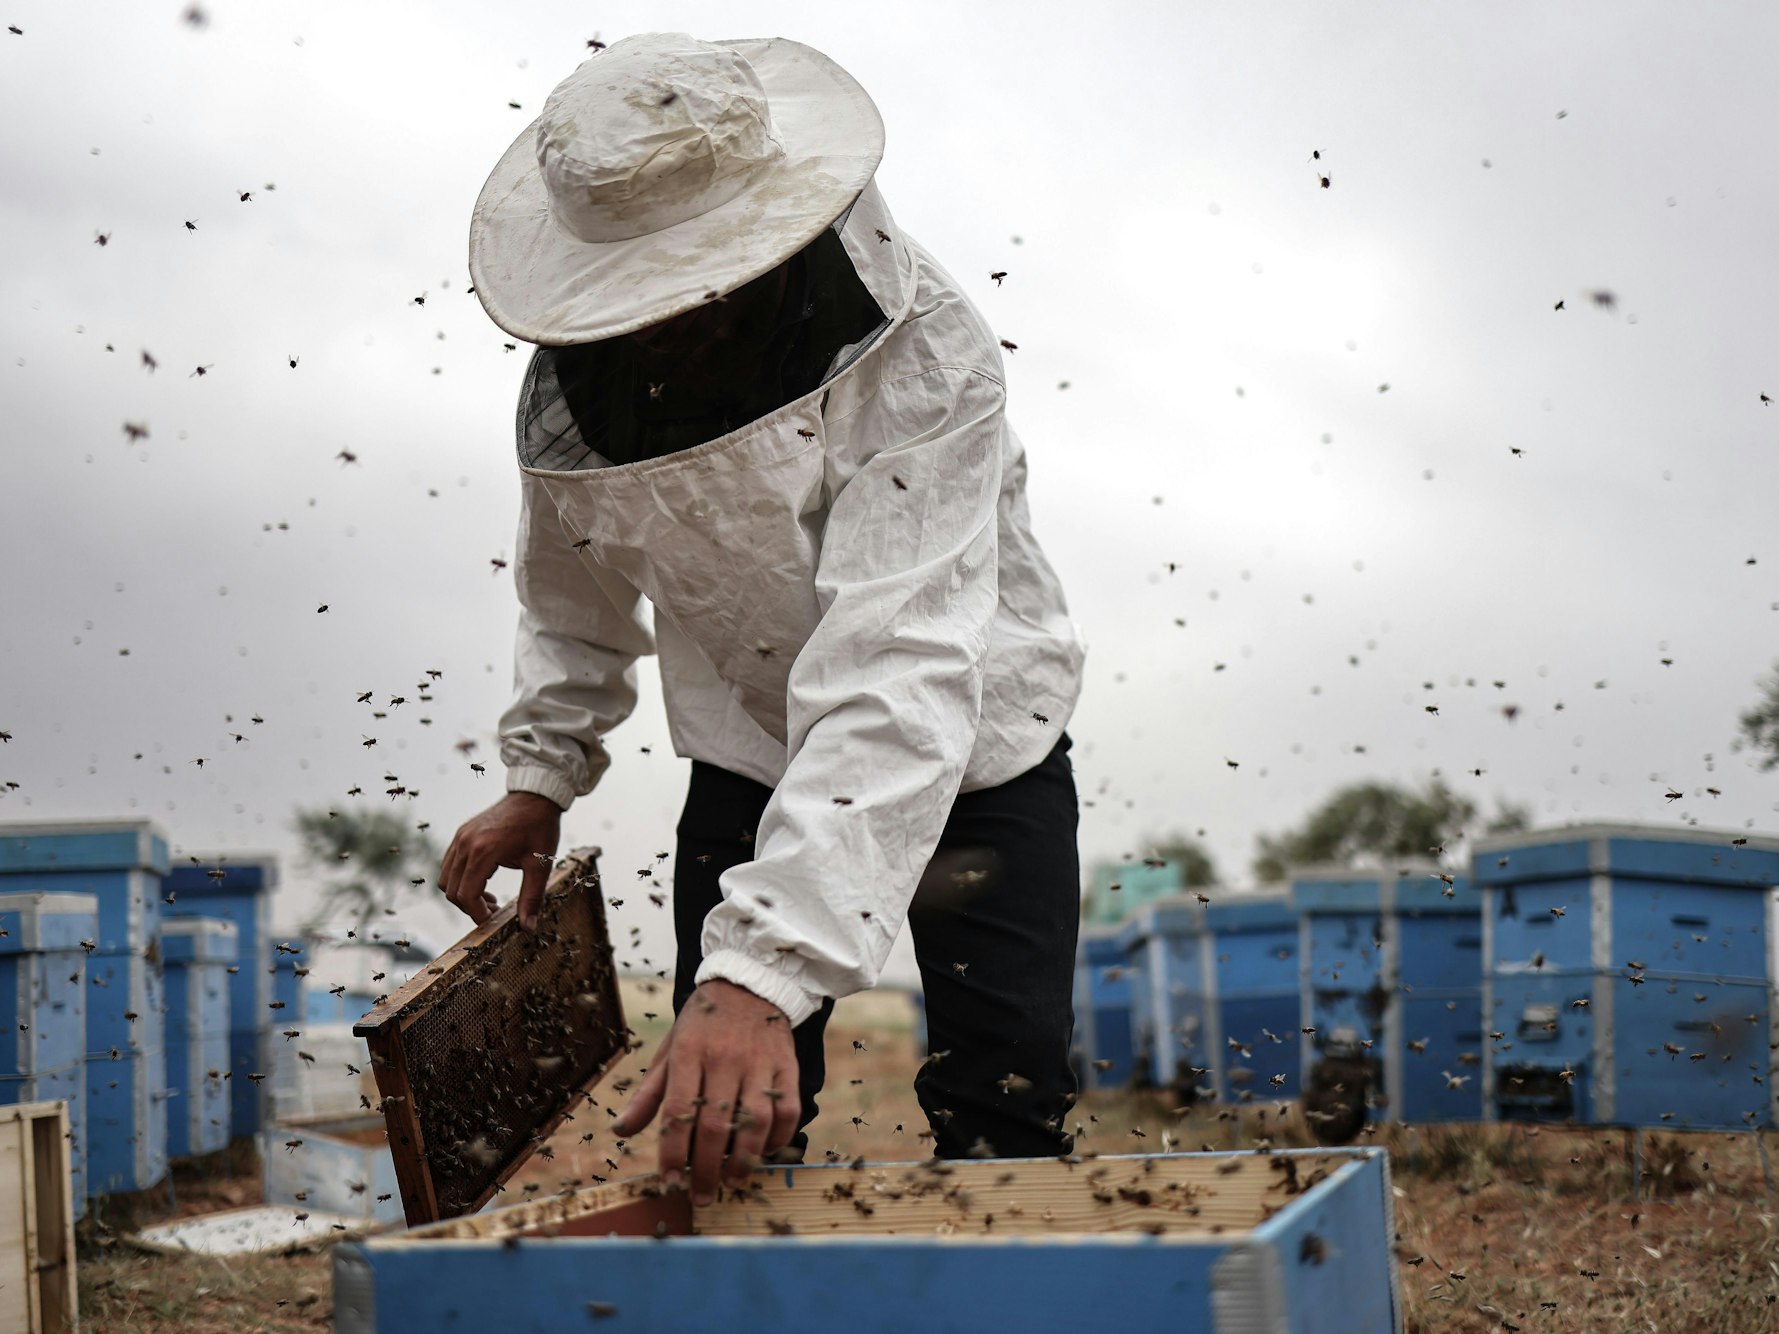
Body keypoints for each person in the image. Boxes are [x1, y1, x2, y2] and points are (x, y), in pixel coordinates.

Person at [437, 32, 1086, 1205]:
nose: (659, 322)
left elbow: (900, 660)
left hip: (978, 742)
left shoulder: (926, 360)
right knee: (728, 1130)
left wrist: (761, 970)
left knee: (1006, 1114)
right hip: (751, 745)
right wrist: (543, 770)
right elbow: (572, 582)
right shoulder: (583, 389)